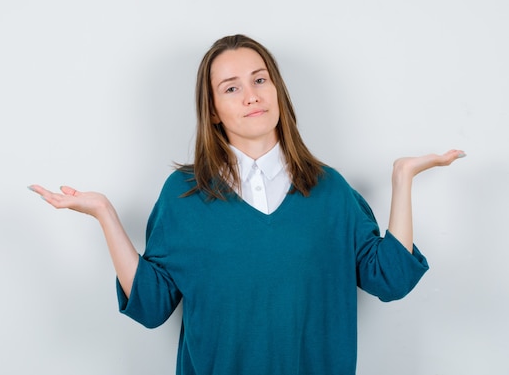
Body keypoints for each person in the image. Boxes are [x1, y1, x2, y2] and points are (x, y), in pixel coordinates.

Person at [29, 34, 465, 375]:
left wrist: (401, 179)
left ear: (277, 89)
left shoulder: (329, 190)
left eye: (260, 79)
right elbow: (150, 303)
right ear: (214, 110)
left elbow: (390, 279)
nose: (251, 95)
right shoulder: (184, 195)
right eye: (231, 88)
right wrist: (106, 215)